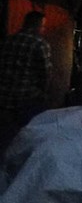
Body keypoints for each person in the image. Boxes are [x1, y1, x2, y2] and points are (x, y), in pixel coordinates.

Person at [0, 11, 51, 152]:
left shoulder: (8, 40)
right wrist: (44, 94)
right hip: (27, 99)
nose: (43, 30)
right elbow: (45, 75)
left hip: (4, 98)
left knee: (6, 137)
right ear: (37, 25)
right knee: (27, 138)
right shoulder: (40, 44)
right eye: (43, 27)